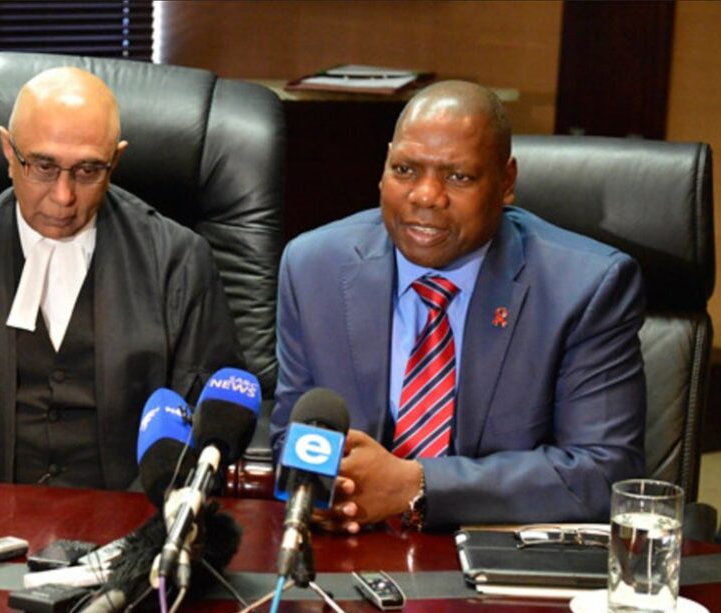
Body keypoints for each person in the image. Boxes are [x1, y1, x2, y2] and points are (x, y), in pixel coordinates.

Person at [272, 80, 644, 530]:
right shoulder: (315, 268)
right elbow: (293, 437)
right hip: (354, 555)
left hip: (500, 565)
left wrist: (417, 484)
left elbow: (603, 473)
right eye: (405, 169)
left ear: (506, 183)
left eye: (458, 176)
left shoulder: (586, 287)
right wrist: (325, 491)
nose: (426, 196)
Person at [0, 67, 242, 490]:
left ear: (115, 160)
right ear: (8, 151)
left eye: (88, 171)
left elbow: (207, 420)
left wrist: (132, 527)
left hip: (132, 530)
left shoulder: (178, 263)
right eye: (43, 167)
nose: (64, 197)